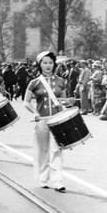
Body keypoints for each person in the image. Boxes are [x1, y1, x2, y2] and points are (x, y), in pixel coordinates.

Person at [24, 51, 73, 192]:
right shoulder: (34, 82)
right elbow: (26, 102)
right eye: (44, 63)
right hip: (41, 120)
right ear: (40, 64)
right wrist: (34, 112)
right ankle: (43, 178)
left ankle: (58, 180)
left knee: (57, 149)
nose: (48, 65)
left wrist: (68, 102)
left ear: (54, 64)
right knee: (43, 149)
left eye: (50, 63)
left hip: (57, 120)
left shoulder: (61, 81)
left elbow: (63, 101)